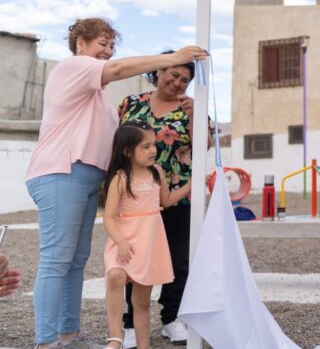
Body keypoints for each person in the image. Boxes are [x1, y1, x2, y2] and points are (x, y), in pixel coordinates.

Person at [25, 18, 206, 349]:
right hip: (62, 171)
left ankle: (69, 335)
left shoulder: (97, 96)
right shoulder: (73, 67)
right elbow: (120, 68)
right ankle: (47, 341)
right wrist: (172, 57)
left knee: (76, 260)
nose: (108, 52)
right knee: (56, 259)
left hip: (85, 178)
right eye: (102, 44)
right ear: (80, 43)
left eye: (112, 46)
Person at [117, 52, 210, 348]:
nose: (177, 81)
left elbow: (203, 146)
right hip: (135, 197)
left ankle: (172, 318)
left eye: (185, 79)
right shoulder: (131, 104)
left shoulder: (191, 108)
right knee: (134, 259)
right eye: (172, 74)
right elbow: (116, 141)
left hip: (178, 194)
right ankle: (131, 323)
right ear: (158, 72)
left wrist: (196, 115)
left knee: (177, 260)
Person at [102, 123, 192, 349]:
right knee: (115, 276)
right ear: (127, 151)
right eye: (146, 146)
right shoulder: (120, 178)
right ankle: (115, 338)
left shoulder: (157, 173)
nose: (153, 150)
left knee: (141, 302)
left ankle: (144, 346)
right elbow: (109, 218)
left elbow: (167, 201)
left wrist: (191, 185)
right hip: (124, 242)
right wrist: (121, 242)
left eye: (154, 145)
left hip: (148, 244)